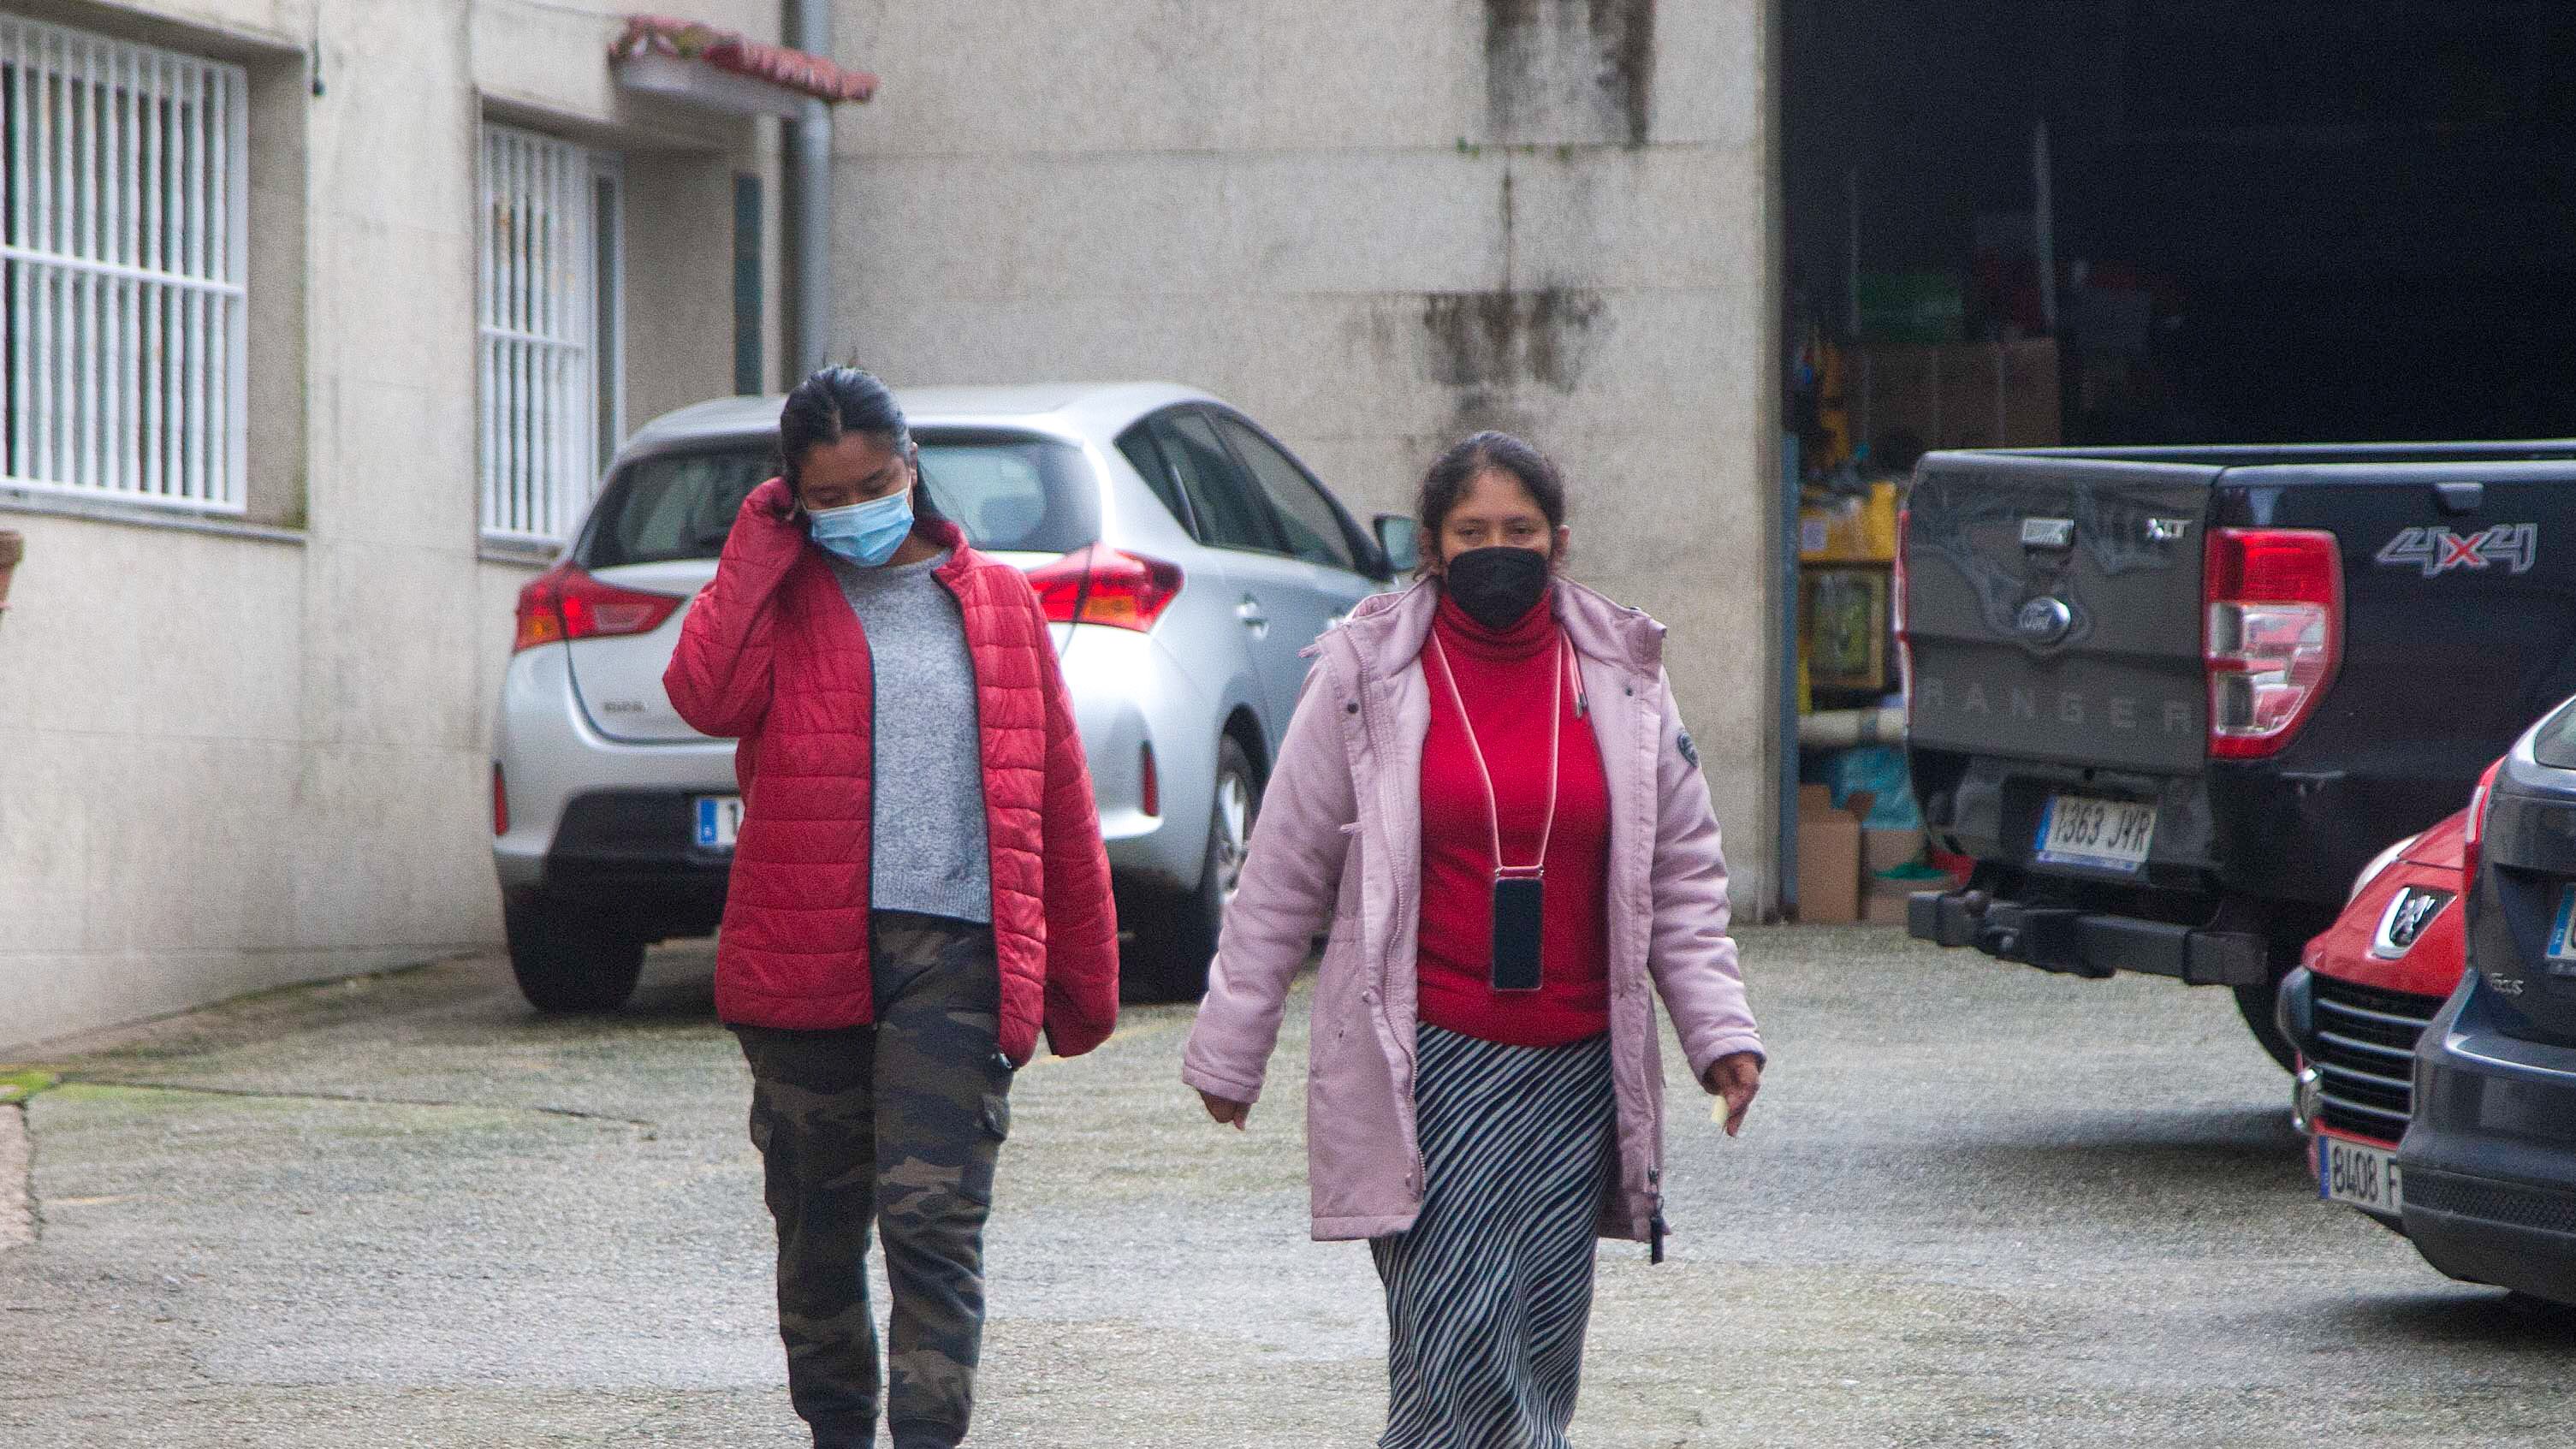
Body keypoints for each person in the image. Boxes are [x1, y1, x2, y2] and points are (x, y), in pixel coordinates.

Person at [1181, 431, 1765, 1449]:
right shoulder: (1366, 673)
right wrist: (1232, 1047)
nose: (1498, 550)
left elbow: (1681, 875)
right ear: (1433, 546)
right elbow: (1279, 873)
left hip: (1576, 1073)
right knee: (1459, 1357)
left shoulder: (1623, 677)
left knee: (1534, 1352)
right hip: (1427, 1071)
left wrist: (1720, 1033)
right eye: (1472, 531)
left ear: (1559, 540)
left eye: (1520, 530)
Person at [664, 367, 1120, 1449]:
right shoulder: (779, 599)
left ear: (912, 466)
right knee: (818, 1235)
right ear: (792, 495)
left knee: (933, 1224)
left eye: (875, 484)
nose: (857, 509)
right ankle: (835, 1431)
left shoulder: (998, 601)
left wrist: (1083, 973)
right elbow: (703, 694)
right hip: (803, 957)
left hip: (955, 956)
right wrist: (760, 543)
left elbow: (1055, 791)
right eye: (826, 496)